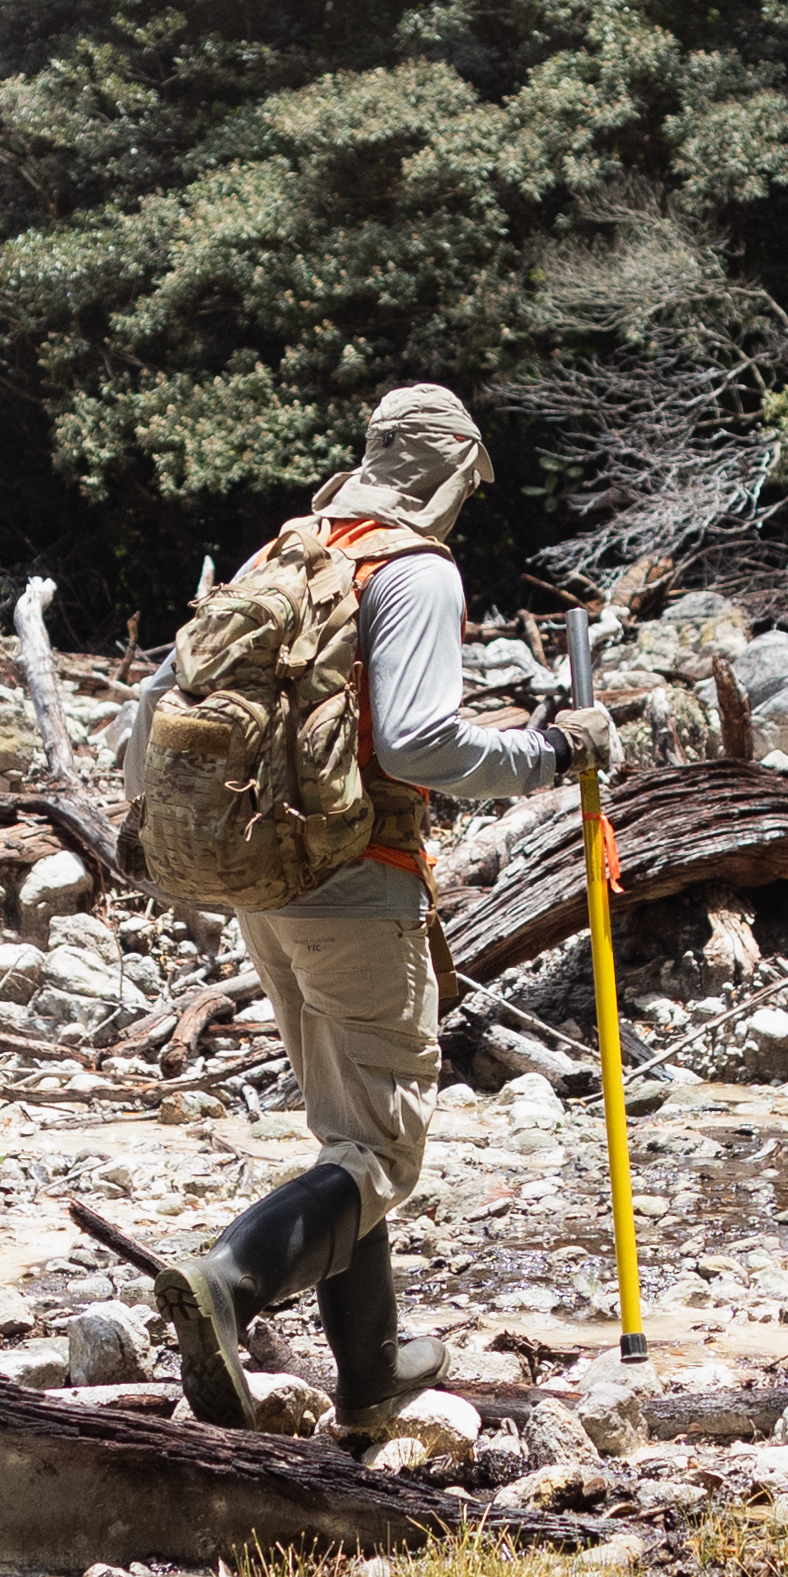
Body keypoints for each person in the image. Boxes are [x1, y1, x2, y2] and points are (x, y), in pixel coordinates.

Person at [136, 384, 580, 1429]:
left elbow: (164, 698)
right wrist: (548, 755)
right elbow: (424, 742)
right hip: (357, 874)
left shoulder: (286, 551)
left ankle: (373, 1369)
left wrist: (145, 828)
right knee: (384, 1152)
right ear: (454, 475)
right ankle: (230, 1281)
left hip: (262, 880)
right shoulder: (415, 571)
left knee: (346, 1134)